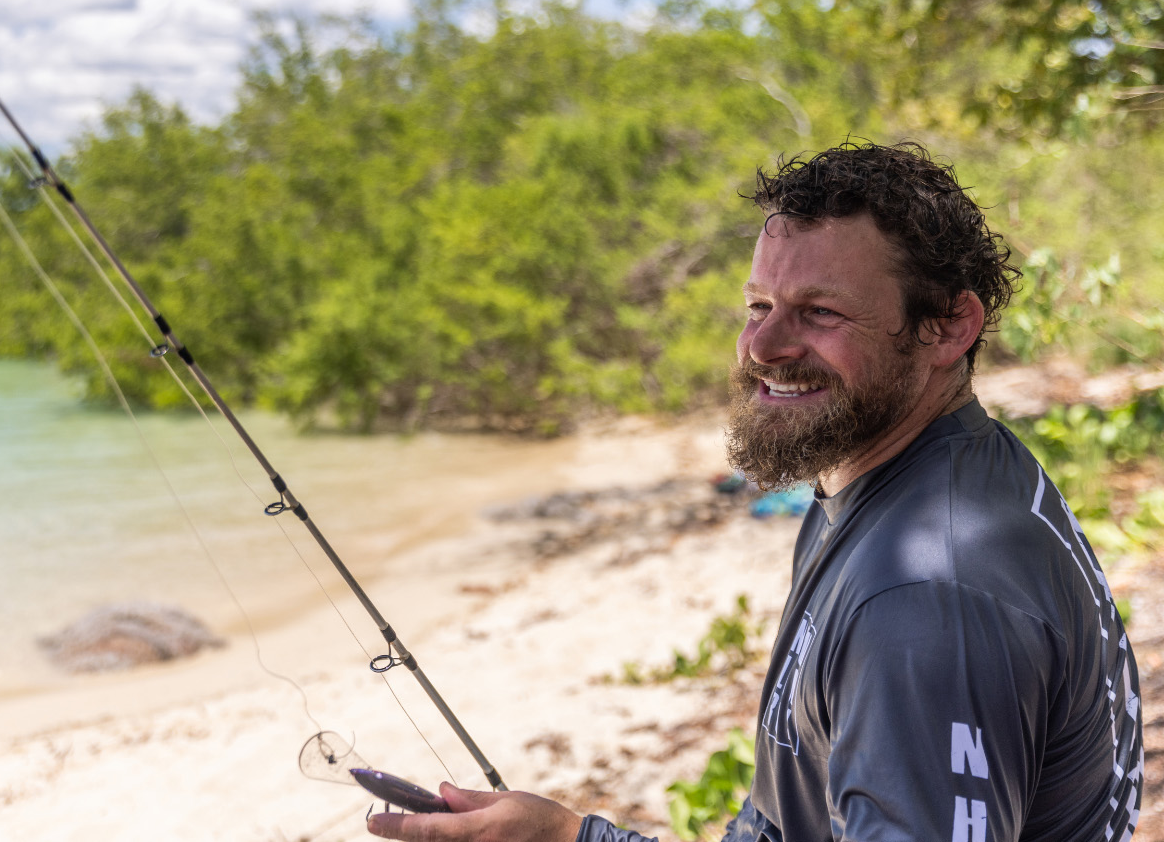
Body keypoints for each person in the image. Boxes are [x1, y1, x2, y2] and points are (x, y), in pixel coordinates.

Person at [366, 142, 1143, 842]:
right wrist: (573, 840)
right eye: (758, 307)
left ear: (947, 327)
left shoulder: (923, 599)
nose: (762, 347)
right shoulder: (906, 478)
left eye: (820, 313)